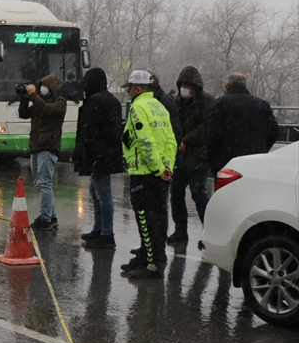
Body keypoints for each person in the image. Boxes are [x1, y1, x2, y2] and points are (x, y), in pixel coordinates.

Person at [120, 70, 177, 280]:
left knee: (146, 220)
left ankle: (153, 265)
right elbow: (170, 140)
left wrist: (157, 169)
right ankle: (146, 258)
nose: (127, 91)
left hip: (145, 173)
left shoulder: (137, 107)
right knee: (160, 219)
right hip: (161, 173)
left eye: (129, 87)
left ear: (138, 88)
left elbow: (145, 141)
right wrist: (167, 167)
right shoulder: (160, 106)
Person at [74, 68, 123, 249]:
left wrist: (81, 154)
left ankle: (106, 233)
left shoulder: (95, 101)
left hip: (98, 155)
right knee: (96, 192)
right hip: (107, 154)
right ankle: (99, 229)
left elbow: (88, 132)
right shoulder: (112, 101)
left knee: (102, 195)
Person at [168, 66, 215, 244]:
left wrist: (187, 140)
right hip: (179, 156)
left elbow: (207, 126)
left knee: (198, 194)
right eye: (183, 84)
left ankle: (209, 232)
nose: (186, 88)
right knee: (176, 194)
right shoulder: (177, 101)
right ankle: (180, 231)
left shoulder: (206, 101)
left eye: (189, 84)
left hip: (197, 156)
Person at [18, 75, 67, 230]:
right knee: (40, 183)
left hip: (48, 146)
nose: (42, 88)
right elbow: (24, 113)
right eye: (41, 85)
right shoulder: (40, 103)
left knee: (44, 183)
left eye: (45, 85)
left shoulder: (60, 103)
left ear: (52, 87)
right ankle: (51, 216)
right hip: (36, 146)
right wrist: (24, 98)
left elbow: (47, 110)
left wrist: (33, 95)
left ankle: (46, 218)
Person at [207, 72, 280, 174]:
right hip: (255, 160)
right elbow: (274, 131)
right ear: (245, 86)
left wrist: (214, 160)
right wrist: (262, 149)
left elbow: (213, 134)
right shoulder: (261, 104)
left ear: (228, 86)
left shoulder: (220, 104)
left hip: (227, 161)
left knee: (228, 190)